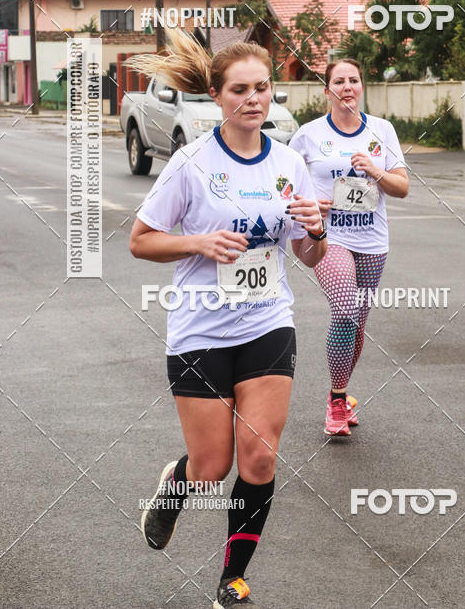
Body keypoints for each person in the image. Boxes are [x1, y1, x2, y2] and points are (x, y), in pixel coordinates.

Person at [127, 30, 326, 608]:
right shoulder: (191, 163)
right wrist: (198, 243)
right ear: (217, 96)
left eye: (262, 88)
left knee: (259, 455)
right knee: (212, 467)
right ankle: (176, 486)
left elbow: (309, 256)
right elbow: (142, 242)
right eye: (239, 90)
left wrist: (315, 230)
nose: (253, 99)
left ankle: (231, 579)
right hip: (200, 330)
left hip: (268, 322)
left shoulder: (290, 163)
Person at [289, 59, 409, 436]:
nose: (347, 87)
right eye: (338, 81)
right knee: (344, 306)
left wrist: (375, 171)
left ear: (362, 87)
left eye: (353, 80)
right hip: (328, 237)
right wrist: (311, 203)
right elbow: (285, 185)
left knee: (357, 324)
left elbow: (402, 187)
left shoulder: (381, 130)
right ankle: (338, 402)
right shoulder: (308, 135)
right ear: (327, 91)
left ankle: (337, 396)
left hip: (372, 240)